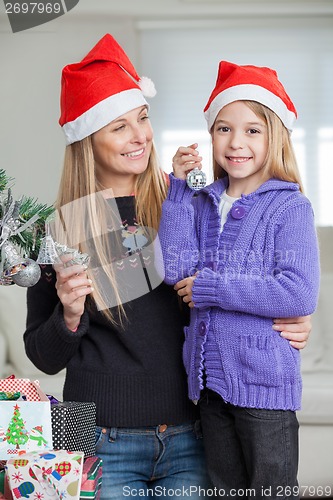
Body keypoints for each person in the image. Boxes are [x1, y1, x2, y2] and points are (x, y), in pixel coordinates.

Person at [23, 35, 312, 499]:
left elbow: (243, 285)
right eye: (119, 127)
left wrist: (292, 319)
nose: (140, 136)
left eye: (143, 118)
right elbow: (42, 355)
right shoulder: (57, 226)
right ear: (87, 139)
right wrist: (69, 316)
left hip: (191, 430)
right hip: (91, 432)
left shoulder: (186, 199)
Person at [158, 61, 320, 499]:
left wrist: (212, 287)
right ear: (211, 136)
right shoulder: (203, 201)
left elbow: (298, 291)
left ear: (275, 137)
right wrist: (176, 189)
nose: (236, 142)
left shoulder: (290, 209)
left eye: (252, 130)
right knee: (225, 490)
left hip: (265, 388)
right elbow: (175, 268)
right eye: (224, 128)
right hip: (210, 387)